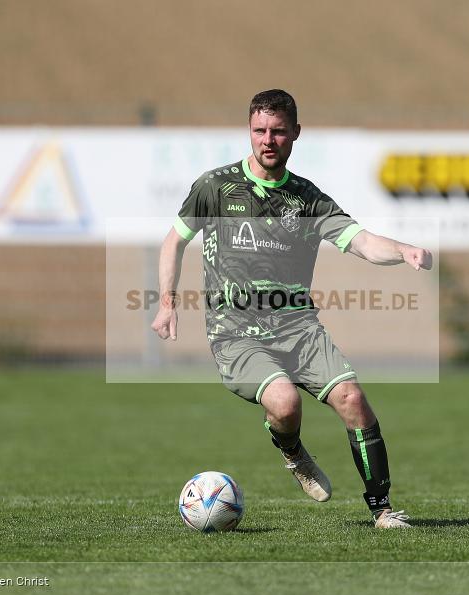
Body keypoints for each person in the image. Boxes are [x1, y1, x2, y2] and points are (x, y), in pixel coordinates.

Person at [151, 89, 432, 528]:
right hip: (236, 332)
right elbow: (174, 241)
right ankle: (293, 452)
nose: (268, 140)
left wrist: (402, 249)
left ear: (295, 134)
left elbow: (360, 241)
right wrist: (167, 303)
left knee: (353, 399)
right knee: (284, 403)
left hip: (299, 329)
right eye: (260, 130)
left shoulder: (307, 199)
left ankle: (382, 510)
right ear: (249, 130)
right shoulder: (215, 187)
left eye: (279, 131)